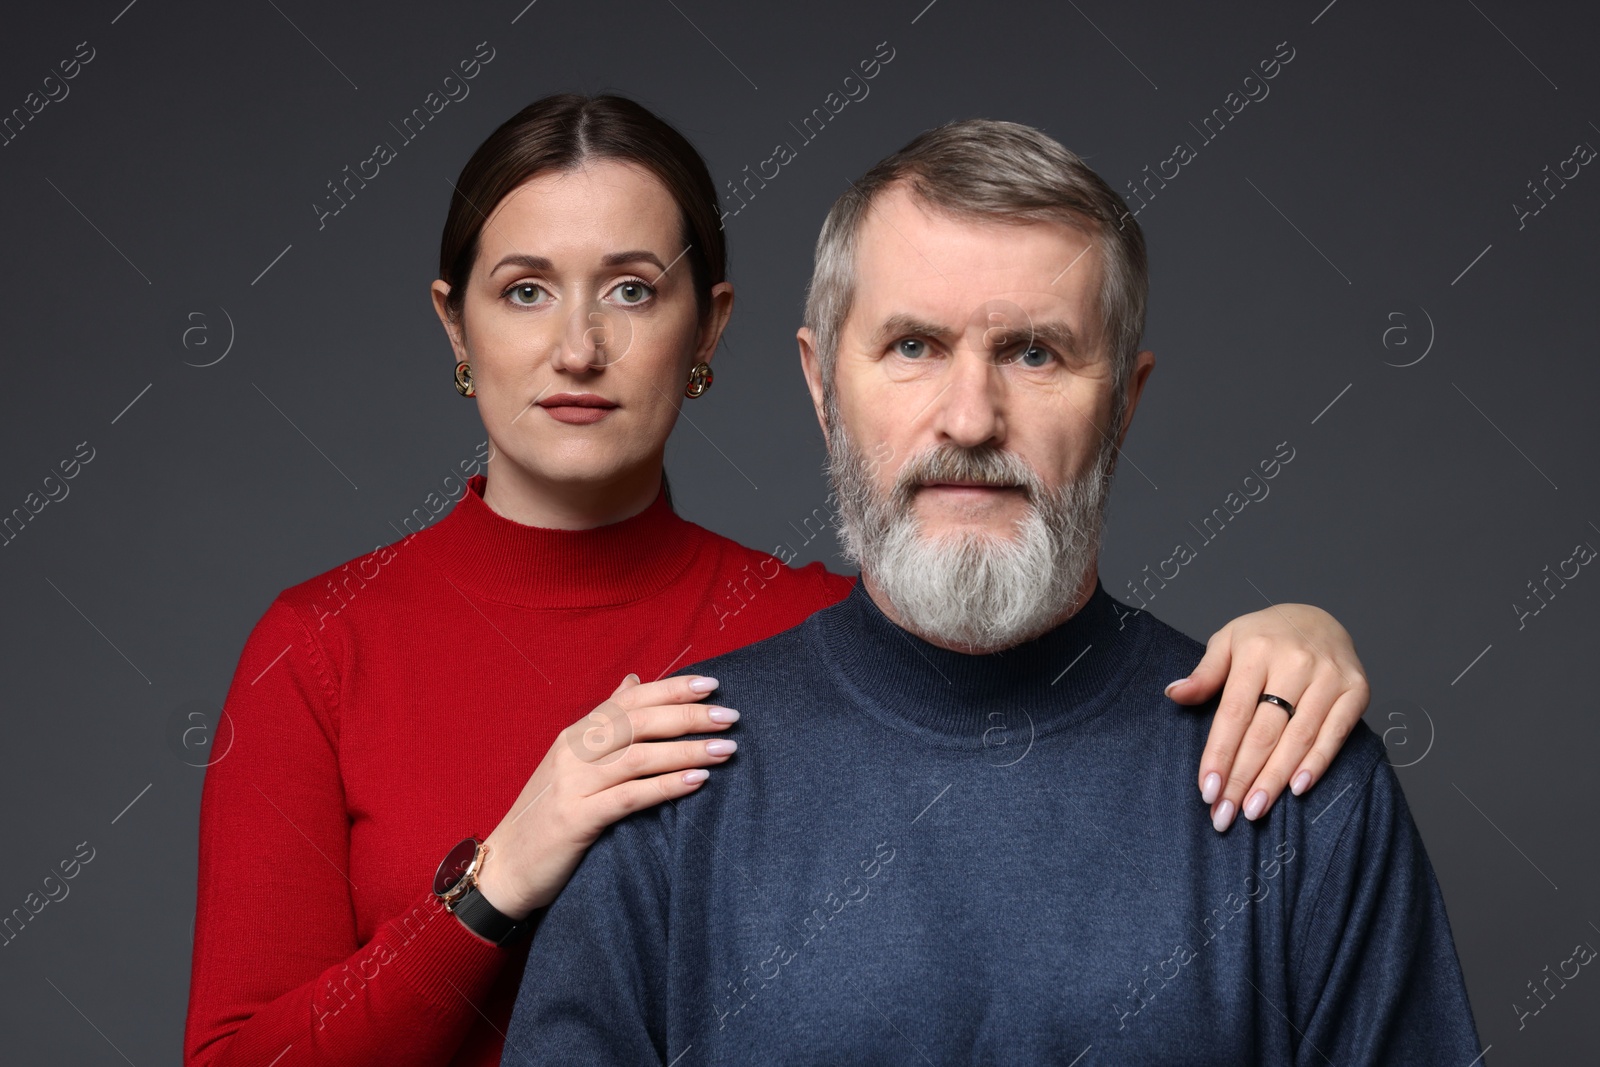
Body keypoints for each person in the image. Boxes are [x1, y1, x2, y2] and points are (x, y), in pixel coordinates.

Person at [184, 96, 1374, 1067]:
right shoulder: (321, 645)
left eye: (635, 288)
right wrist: (495, 876)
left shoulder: (817, 627)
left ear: (711, 330)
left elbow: (994, 666)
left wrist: (1293, 633)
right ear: (456, 325)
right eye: (525, 288)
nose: (579, 346)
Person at [503, 118, 1483, 1065]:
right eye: (914, 347)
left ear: (1123, 403)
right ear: (821, 386)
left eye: (1033, 352)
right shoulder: (666, 788)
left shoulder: (1291, 778)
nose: (970, 419)